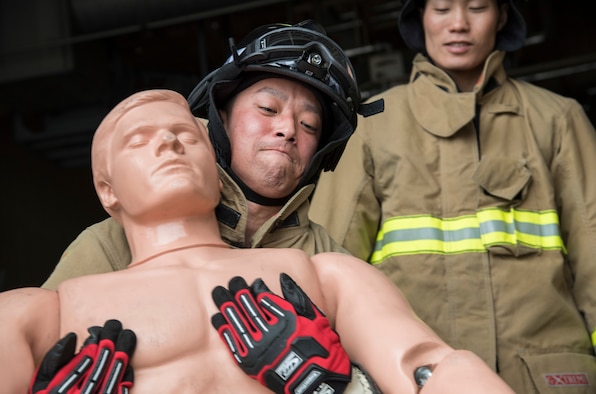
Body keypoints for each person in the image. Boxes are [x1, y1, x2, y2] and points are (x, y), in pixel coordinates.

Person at [0, 89, 514, 393]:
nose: (169, 141)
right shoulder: (38, 316)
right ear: (106, 190)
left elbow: (440, 375)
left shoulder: (325, 275)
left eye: (186, 135)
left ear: (216, 163)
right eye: (139, 140)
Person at [310, 0, 596, 392]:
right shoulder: (373, 125)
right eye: (442, 8)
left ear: (502, 17)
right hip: (419, 379)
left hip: (549, 378)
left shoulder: (558, 119)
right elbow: (331, 264)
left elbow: (593, 252)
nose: (458, 24)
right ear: (421, 18)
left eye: (476, 7)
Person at [40, 20, 382, 290]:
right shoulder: (114, 243)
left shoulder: (331, 264)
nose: (288, 129)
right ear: (221, 119)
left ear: (321, 152)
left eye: (309, 124)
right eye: (267, 108)